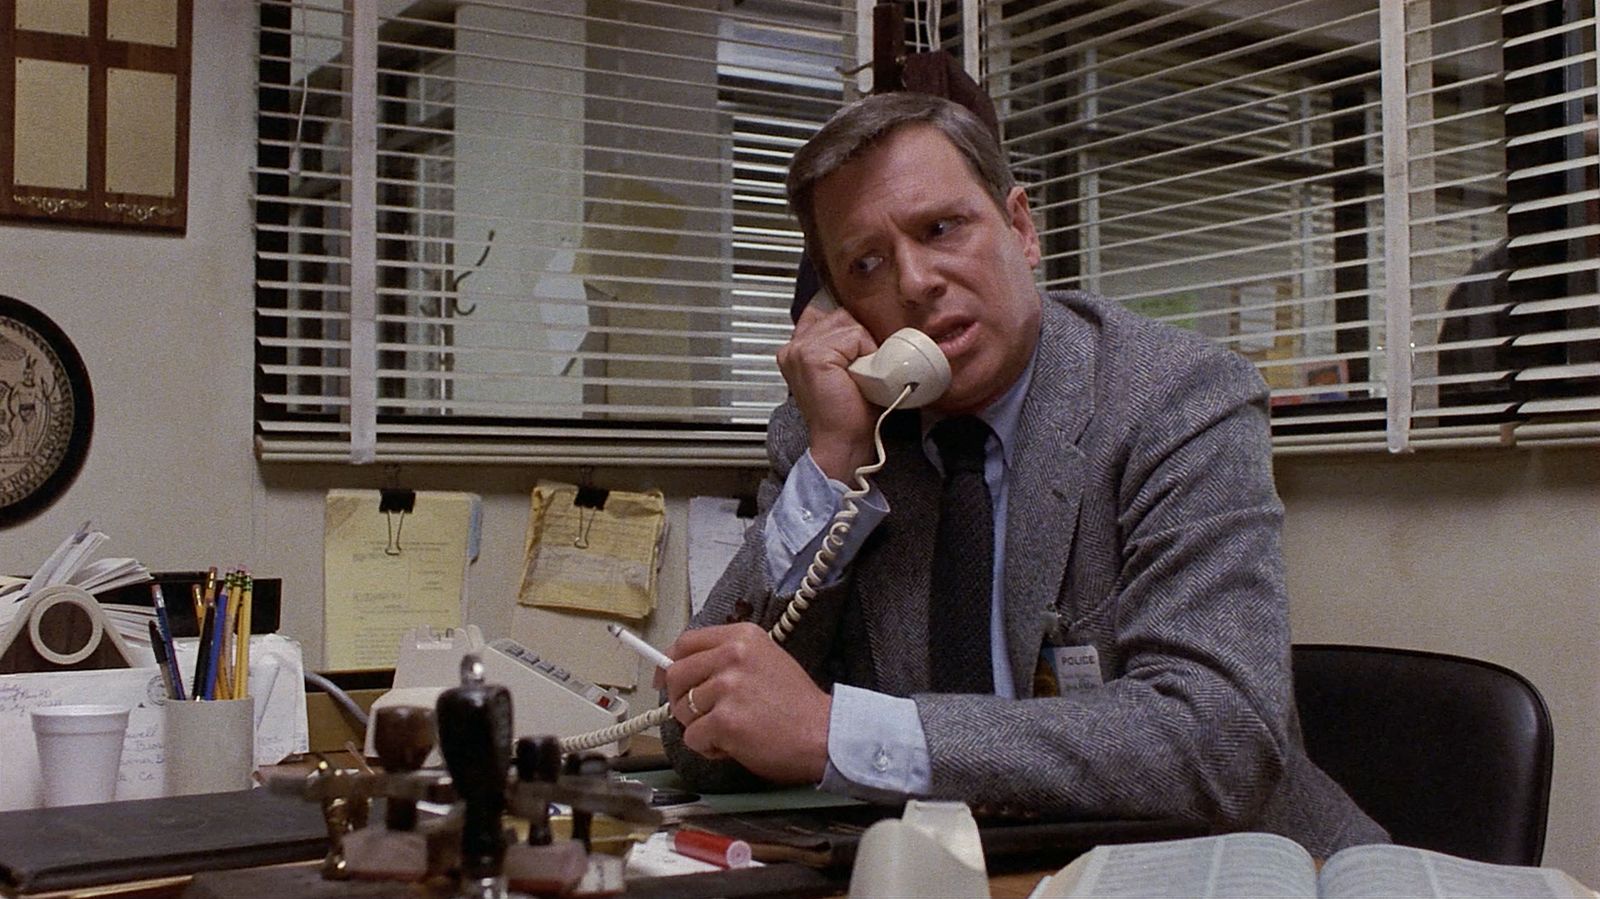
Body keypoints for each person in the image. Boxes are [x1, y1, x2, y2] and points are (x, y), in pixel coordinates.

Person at [659, 91, 1388, 858]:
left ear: (1021, 227)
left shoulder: (1177, 399)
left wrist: (835, 731)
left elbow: (1221, 738)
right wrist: (833, 458)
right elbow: (695, 733)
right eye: (866, 264)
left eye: (942, 228)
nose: (914, 282)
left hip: (1232, 872)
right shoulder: (842, 430)